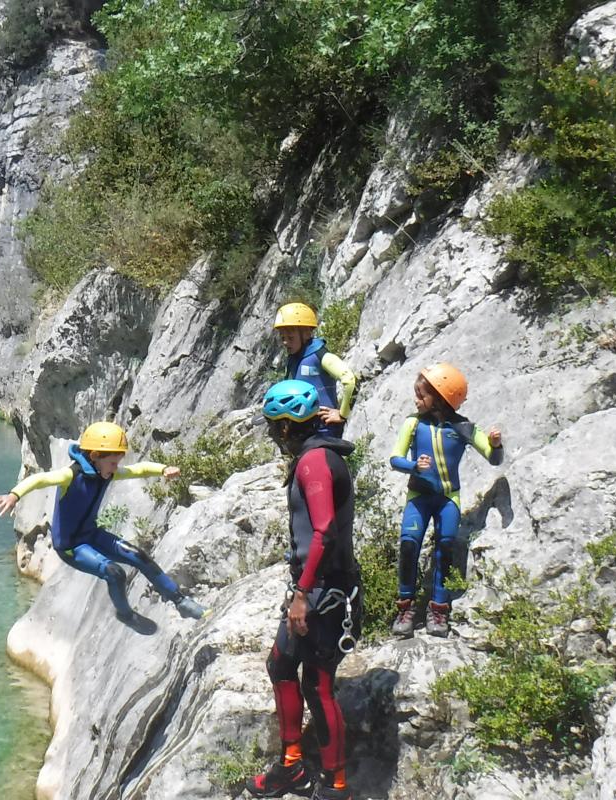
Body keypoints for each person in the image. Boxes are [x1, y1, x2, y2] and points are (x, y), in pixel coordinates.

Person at [246, 380, 361, 800]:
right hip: (323, 588)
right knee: (281, 667)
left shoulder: (313, 462)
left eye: (275, 427)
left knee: (318, 684)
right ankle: (293, 765)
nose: (275, 437)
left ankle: (336, 786)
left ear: (285, 427)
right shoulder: (320, 456)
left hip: (322, 594)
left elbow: (324, 530)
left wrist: (301, 594)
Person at [0, 421, 208, 625]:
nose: (116, 467)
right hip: (70, 547)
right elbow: (40, 480)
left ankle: (181, 602)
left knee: (139, 556)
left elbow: (139, 469)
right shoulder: (70, 476)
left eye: (117, 462)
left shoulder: (106, 473)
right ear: (95, 456)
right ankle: (125, 615)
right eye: (113, 462)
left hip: (92, 535)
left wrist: (163, 469)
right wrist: (14, 495)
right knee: (115, 573)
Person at [387, 362, 505, 638]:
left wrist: (496, 444)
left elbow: (493, 457)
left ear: (440, 398)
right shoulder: (413, 423)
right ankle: (405, 607)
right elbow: (395, 459)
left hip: (447, 498)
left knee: (445, 549)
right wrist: (414, 466)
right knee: (408, 546)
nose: (416, 400)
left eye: (421, 395)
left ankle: (438, 610)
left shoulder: (463, 427)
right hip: (418, 497)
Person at [275, 303, 358, 439]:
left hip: (325, 431)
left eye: (290, 338)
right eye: (282, 337)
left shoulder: (320, 356)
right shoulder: (294, 359)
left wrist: (342, 414)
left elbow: (350, 380)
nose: (285, 342)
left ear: (307, 333)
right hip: (304, 432)